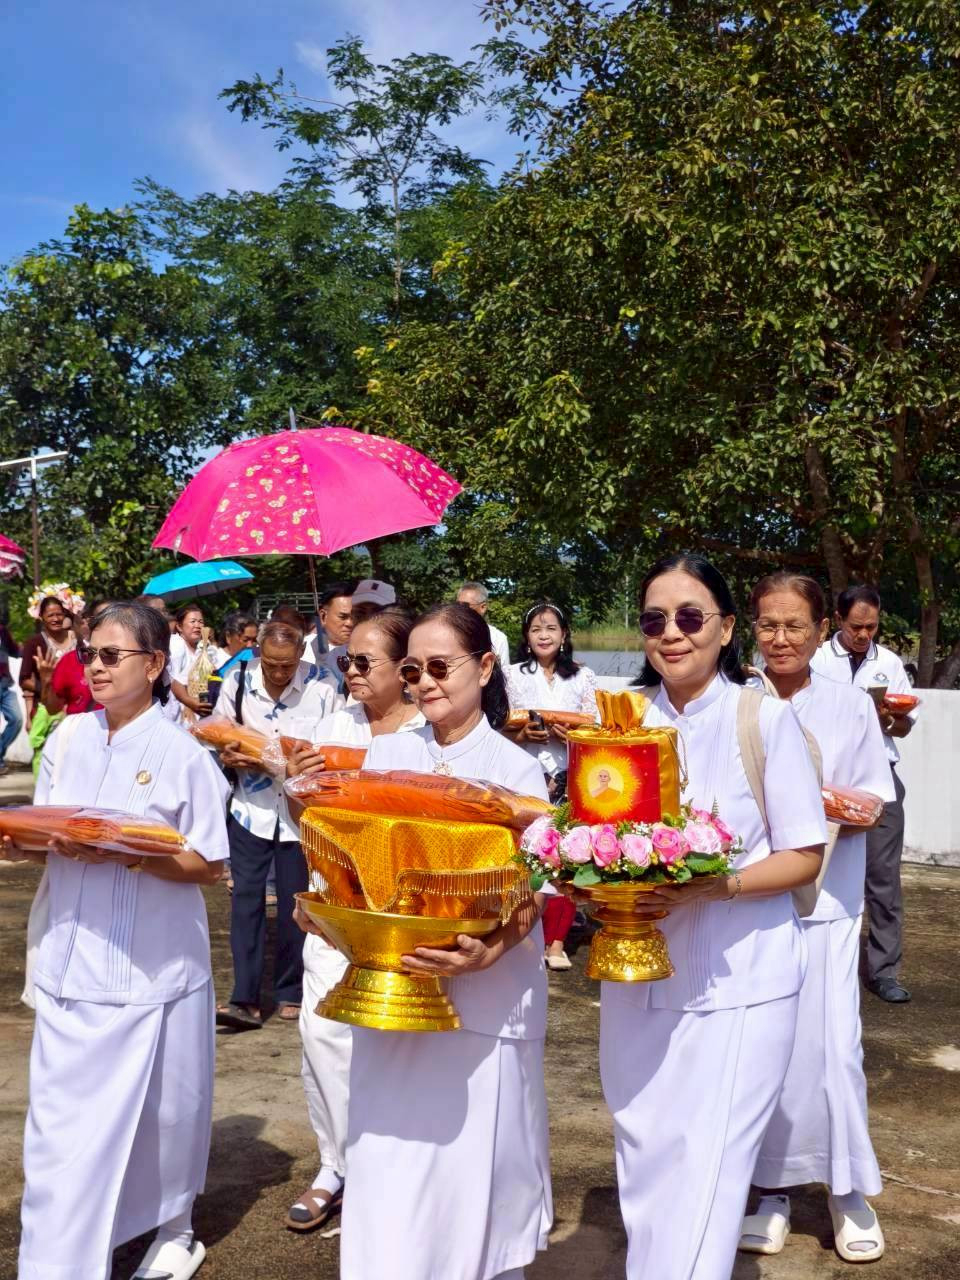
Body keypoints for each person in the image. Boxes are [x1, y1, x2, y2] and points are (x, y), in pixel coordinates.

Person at [296, 602, 553, 1280]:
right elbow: (356, 868)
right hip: (396, 996)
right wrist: (329, 909)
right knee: (390, 1172)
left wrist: (490, 950)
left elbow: (533, 895)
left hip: (487, 1005)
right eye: (413, 668)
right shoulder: (385, 756)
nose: (426, 682)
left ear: (485, 667)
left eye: (441, 666)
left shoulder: (517, 772)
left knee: (475, 1185)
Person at [600, 553, 825, 1280]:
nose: (672, 633)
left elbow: (804, 856)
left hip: (741, 983)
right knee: (643, 1157)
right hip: (637, 978)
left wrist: (713, 887)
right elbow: (589, 834)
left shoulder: (763, 719)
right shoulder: (622, 723)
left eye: (691, 617)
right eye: (654, 620)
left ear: (726, 629)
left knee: (708, 1167)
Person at [9, 601, 229, 1280]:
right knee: (60, 1137)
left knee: (163, 1113)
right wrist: (30, 842)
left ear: (155, 664)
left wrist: (130, 853)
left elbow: (210, 863)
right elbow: (49, 833)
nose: (95, 668)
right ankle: (62, 1260)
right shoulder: (70, 738)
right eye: (90, 655)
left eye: (112, 656)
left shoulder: (180, 752)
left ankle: (168, 1228)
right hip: (70, 958)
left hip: (146, 966)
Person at [739, 573, 893, 1264]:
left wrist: (817, 802)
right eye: (767, 625)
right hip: (753, 903)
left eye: (794, 626)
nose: (780, 640)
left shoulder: (850, 705)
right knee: (764, 1049)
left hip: (829, 901)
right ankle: (769, 1190)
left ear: (820, 628)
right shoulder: (735, 701)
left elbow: (872, 804)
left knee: (833, 1049)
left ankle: (846, 1190)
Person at [283, 608, 424, 1233]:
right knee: (323, 1040)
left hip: (400, 913)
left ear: (404, 668)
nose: (353, 671)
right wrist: (297, 790)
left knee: (394, 1048)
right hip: (332, 908)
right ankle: (335, 1166)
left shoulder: (427, 734)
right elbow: (305, 827)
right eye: (347, 660)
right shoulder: (330, 725)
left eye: (366, 662)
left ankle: (388, 1173)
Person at [214, 621, 341, 1030]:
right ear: (258, 655)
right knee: (245, 902)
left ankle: (291, 989)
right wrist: (230, 752)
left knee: (296, 901)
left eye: (287, 666)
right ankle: (244, 997)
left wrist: (275, 763)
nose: (278, 673)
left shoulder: (323, 687)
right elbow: (216, 731)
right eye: (270, 664)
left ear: (301, 655)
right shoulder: (237, 681)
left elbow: (332, 753)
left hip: (299, 814)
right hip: (250, 808)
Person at [811, 585, 918, 1003]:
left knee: (883, 879)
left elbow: (905, 728)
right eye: (856, 626)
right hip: (824, 778)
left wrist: (892, 718)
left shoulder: (888, 662)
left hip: (879, 780)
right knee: (812, 869)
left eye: (871, 626)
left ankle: (883, 970)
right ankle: (811, 959)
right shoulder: (816, 659)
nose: (864, 634)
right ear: (838, 620)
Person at [505, 601, 598, 970]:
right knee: (523, 854)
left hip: (568, 774)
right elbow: (498, 723)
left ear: (564, 635)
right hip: (525, 773)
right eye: (536, 629)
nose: (544, 635)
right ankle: (522, 932)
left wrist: (574, 735)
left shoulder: (583, 677)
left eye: (551, 629)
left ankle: (556, 942)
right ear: (526, 638)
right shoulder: (511, 675)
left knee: (564, 855)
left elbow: (597, 726)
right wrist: (521, 733)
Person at [38, 598, 113, 719]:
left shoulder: (134, 658)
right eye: (102, 619)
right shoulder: (70, 660)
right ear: (89, 622)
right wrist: (46, 682)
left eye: (117, 619)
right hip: (82, 733)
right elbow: (53, 709)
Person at [19, 595, 76, 722]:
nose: (56, 619)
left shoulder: (77, 640)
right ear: (42, 617)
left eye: (59, 614)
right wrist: (49, 687)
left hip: (77, 707)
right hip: (46, 710)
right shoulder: (34, 643)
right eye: (50, 615)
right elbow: (24, 680)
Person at [170, 603, 215, 720]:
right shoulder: (176, 644)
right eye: (193, 621)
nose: (198, 626)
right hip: (176, 713)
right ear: (179, 627)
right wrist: (188, 702)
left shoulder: (202, 649)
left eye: (201, 622)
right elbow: (172, 680)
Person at [457, 581, 511, 668]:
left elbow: (504, 674)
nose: (460, 610)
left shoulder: (498, 639)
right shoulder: (448, 632)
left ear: (483, 607)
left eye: (465, 605)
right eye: (457, 605)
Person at [0, 615, 22, 776]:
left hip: (5, 683)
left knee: (17, 719)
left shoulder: (2, 631)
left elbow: (15, 651)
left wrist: (29, 649)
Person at [314, 583, 355, 665]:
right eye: (343, 617)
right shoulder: (302, 652)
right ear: (323, 616)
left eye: (355, 616)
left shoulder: (369, 649)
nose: (350, 623)